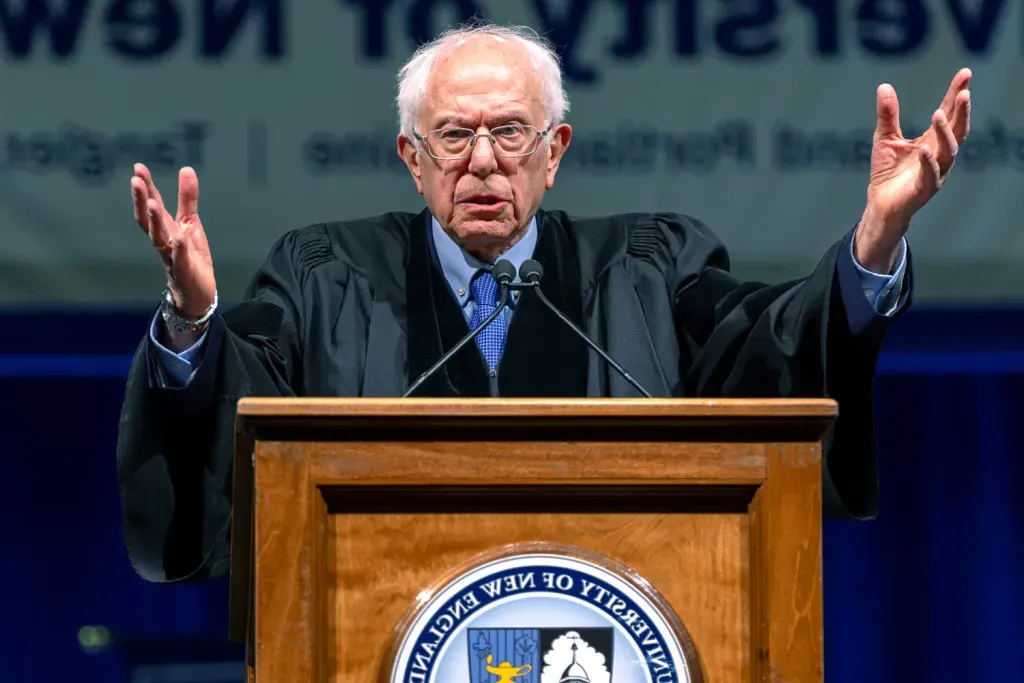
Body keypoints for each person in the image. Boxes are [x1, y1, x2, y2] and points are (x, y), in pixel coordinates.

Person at [116, 23, 972, 584]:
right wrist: (193, 321)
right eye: (454, 135)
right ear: (412, 159)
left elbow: (770, 347)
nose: (483, 161)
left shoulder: (646, 266)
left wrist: (871, 247)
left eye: (510, 132)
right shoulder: (322, 273)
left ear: (554, 151)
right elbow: (247, 409)